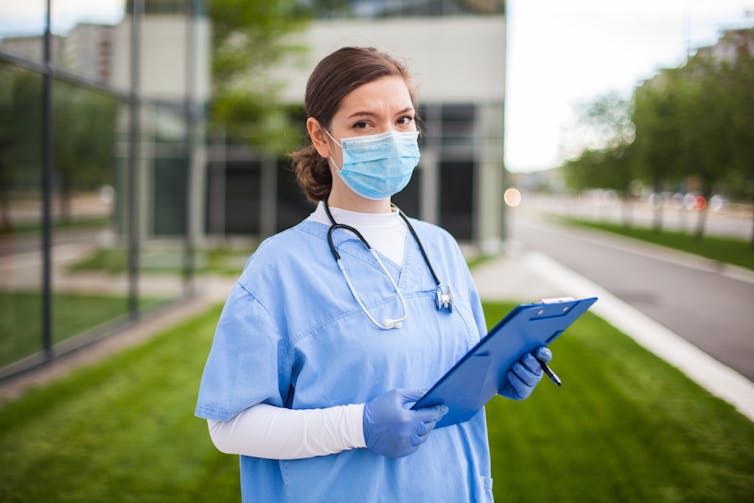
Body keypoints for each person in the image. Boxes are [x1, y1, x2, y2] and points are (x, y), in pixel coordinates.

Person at [195, 46, 552, 502]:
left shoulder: (439, 247)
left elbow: (456, 373)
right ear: (321, 138)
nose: (390, 136)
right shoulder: (278, 268)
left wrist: (502, 372)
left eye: (403, 120)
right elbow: (228, 426)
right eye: (364, 123)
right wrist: (357, 426)